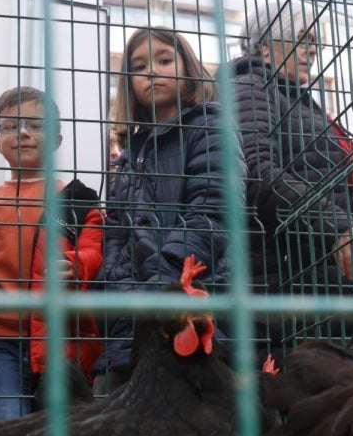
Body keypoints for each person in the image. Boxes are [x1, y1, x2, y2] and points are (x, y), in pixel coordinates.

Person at [95, 27, 246, 392]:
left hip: (192, 299)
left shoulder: (211, 128)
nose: (151, 71)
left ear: (187, 68)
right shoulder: (128, 154)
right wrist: (115, 283)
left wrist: (167, 276)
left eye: (164, 60)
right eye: (139, 66)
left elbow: (214, 210)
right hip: (131, 312)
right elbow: (115, 229)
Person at [228, 0, 353, 356]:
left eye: (316, 42)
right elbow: (256, 171)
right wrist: (336, 225)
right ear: (265, 45)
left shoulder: (291, 97)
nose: (312, 51)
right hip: (282, 279)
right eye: (303, 39)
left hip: (309, 275)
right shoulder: (251, 87)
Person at [0, 86, 103, 419]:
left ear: (56, 139)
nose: (23, 132)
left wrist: (75, 265)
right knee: (7, 422)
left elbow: (94, 250)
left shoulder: (77, 202)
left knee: (59, 428)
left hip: (58, 338)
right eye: (10, 126)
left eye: (36, 125)